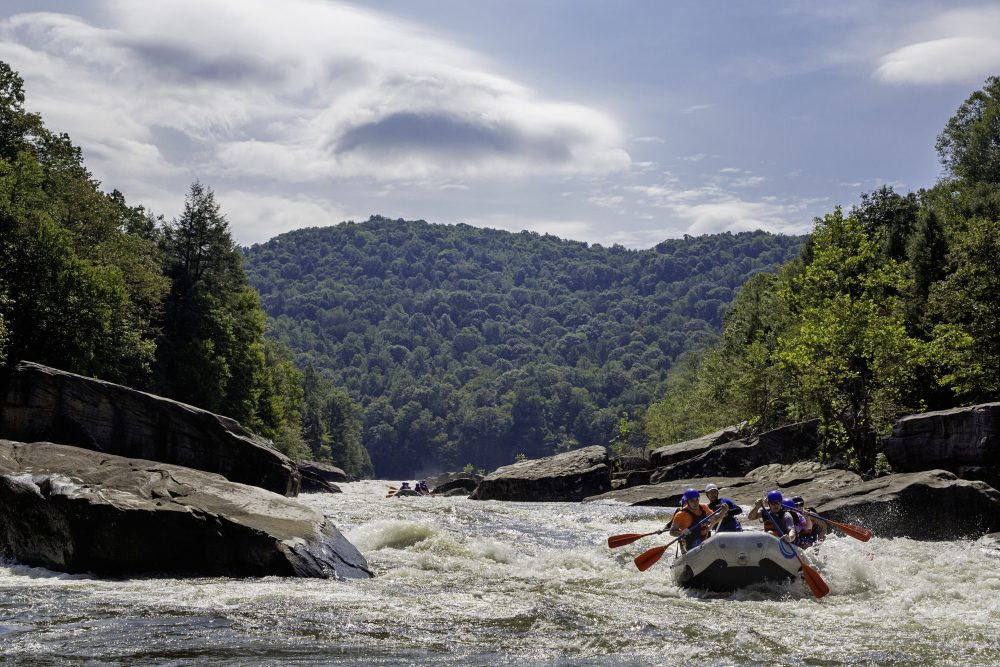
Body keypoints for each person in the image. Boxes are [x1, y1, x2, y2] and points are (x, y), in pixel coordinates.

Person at [669, 488, 727, 552]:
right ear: (687, 501)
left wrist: (724, 510)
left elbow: (715, 519)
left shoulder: (704, 508)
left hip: (704, 542)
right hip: (690, 547)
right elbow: (672, 532)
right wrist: (681, 533)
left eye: (697, 499)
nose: (695, 503)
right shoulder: (680, 515)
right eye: (692, 501)